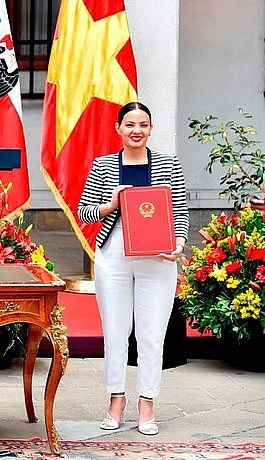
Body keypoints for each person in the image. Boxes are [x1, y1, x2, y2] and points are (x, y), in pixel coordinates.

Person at [77, 101, 188, 436]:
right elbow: (84, 212)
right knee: (115, 331)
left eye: (143, 125)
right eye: (129, 124)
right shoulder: (104, 165)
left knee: (152, 334)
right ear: (118, 129)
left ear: (151, 129)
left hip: (157, 255)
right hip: (114, 253)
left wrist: (178, 244)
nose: (136, 130)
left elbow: (179, 213)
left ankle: (147, 403)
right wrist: (110, 204)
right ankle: (116, 399)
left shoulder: (170, 164)